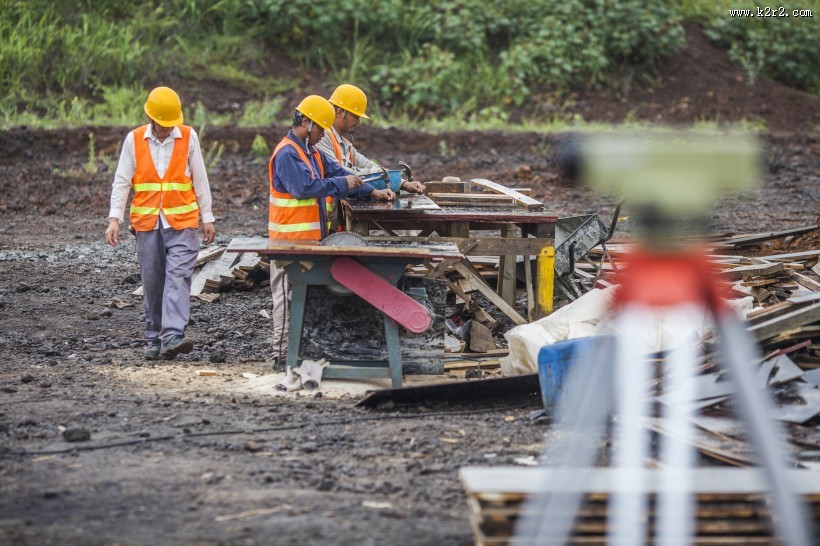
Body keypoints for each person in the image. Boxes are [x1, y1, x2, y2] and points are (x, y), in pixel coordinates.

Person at [268, 95, 395, 369]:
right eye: (320, 130)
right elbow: (305, 187)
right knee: (287, 297)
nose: (322, 135)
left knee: (306, 296)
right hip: (287, 241)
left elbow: (339, 172)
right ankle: (280, 355)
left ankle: (298, 352)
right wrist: (342, 182)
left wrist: (371, 191)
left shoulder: (311, 152)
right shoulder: (288, 153)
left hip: (309, 240)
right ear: (306, 123)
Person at [105, 86, 216, 361]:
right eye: (162, 125)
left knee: (178, 276)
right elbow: (122, 181)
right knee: (153, 282)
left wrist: (208, 217)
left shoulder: (189, 137)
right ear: (151, 119)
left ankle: (173, 335)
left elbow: (200, 180)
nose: (167, 130)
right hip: (147, 223)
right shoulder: (133, 140)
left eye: (171, 125)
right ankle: (155, 338)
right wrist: (114, 219)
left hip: (183, 222)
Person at [316, 84, 425, 228]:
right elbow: (344, 173)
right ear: (340, 112)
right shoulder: (322, 138)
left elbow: (368, 165)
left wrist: (402, 183)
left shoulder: (343, 143)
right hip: (322, 219)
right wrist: (379, 177)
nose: (358, 121)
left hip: (335, 216)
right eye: (355, 116)